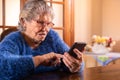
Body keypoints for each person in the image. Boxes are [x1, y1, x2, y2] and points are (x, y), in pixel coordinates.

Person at [0, 0, 84, 80]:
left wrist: (75, 65)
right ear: (23, 22)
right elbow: (2, 67)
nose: (45, 29)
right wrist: (40, 60)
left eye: (48, 24)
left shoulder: (52, 36)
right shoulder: (13, 40)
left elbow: (66, 61)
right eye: (40, 22)